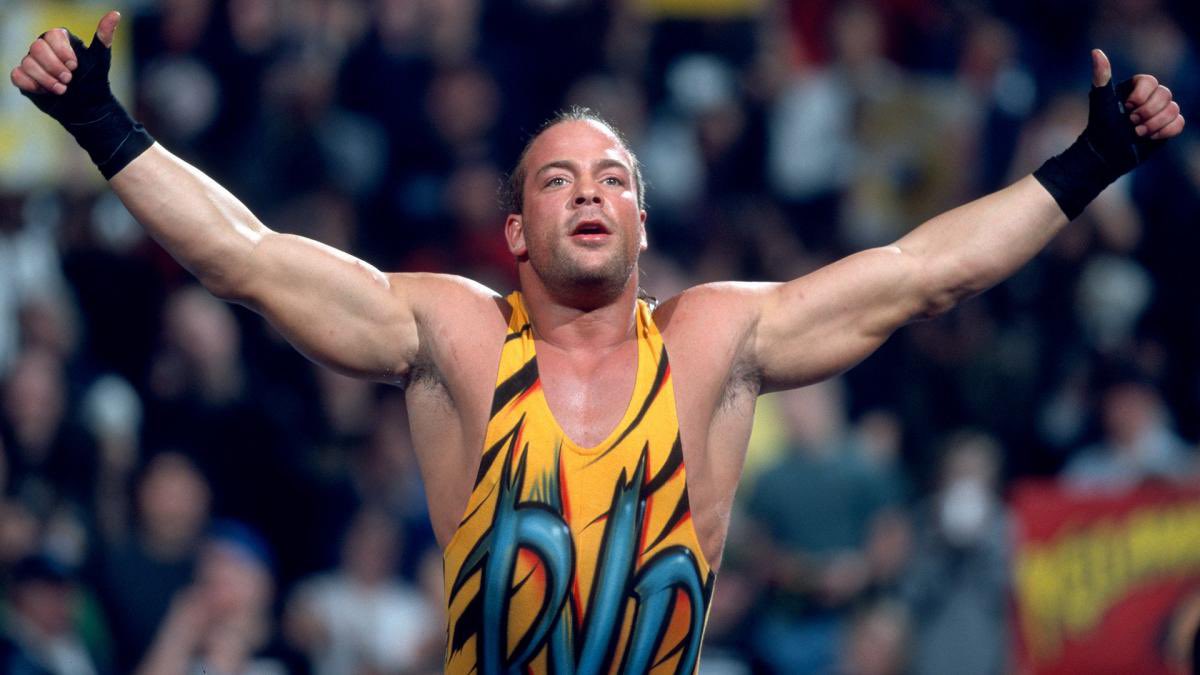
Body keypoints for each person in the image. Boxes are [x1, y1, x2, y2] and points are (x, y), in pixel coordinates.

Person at [9, 10, 1186, 673]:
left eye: (613, 176)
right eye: (558, 178)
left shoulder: (715, 338)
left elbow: (927, 274)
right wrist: (101, 123)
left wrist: (1090, 161)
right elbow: (249, 259)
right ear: (515, 232)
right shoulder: (455, 332)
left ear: (641, 221)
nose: (588, 190)